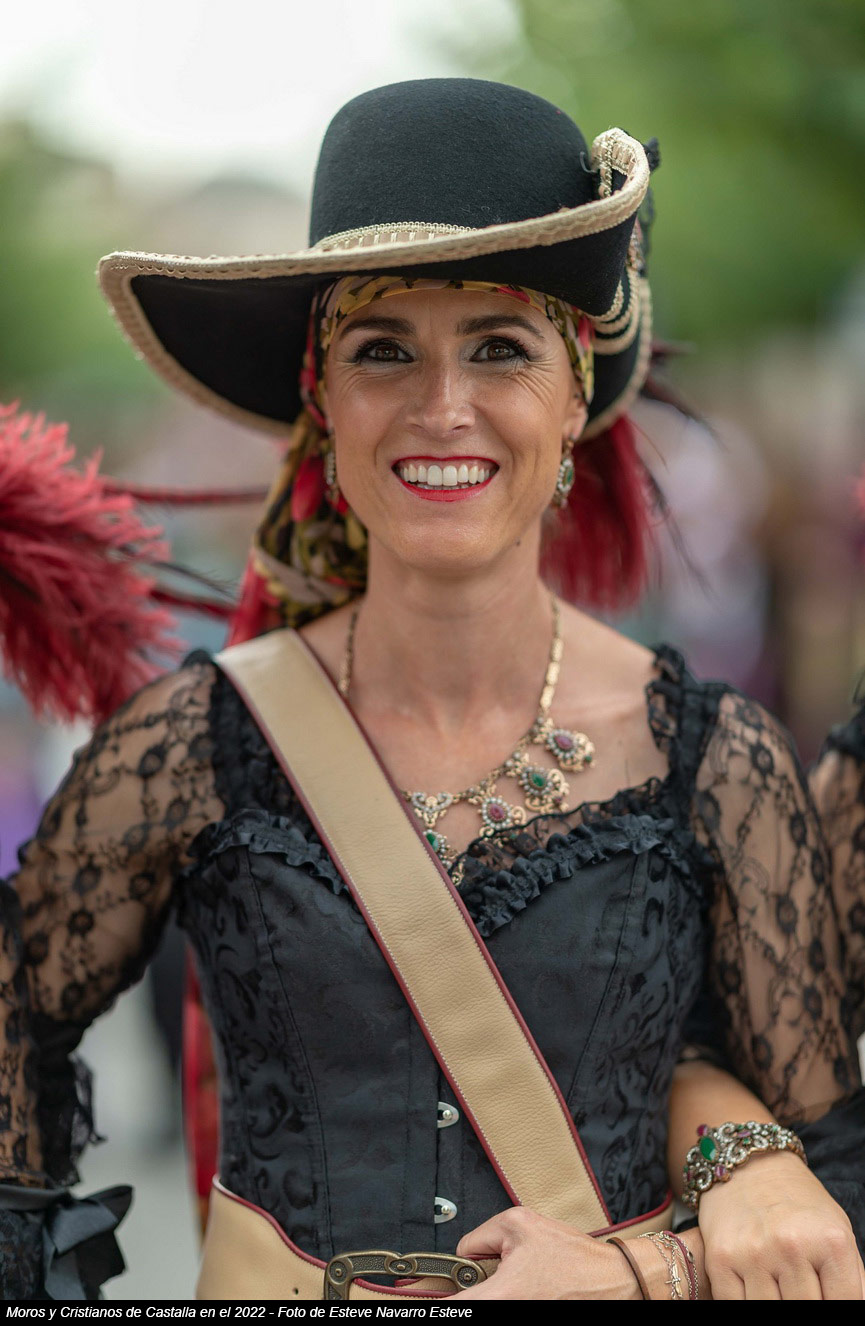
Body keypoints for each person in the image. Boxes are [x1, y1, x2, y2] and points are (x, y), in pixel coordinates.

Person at [1, 78, 864, 1301]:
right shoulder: (192, 742)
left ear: (574, 396)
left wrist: (644, 1273)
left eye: (500, 349)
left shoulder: (716, 762)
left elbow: (828, 1186)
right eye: (383, 351)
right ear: (324, 400)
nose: (442, 408)